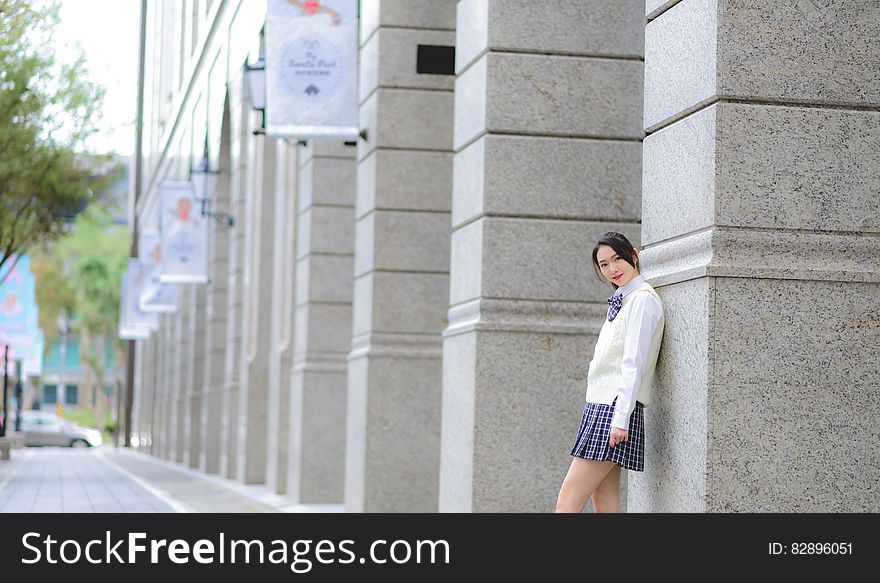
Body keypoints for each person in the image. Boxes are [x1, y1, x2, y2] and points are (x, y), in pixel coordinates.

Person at [555, 231, 665, 513]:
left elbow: (633, 363)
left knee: (569, 497)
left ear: (634, 255)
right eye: (604, 264)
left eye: (617, 258)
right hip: (600, 406)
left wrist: (621, 420)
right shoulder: (623, 299)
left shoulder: (641, 300)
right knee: (603, 499)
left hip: (614, 408)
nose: (612, 269)